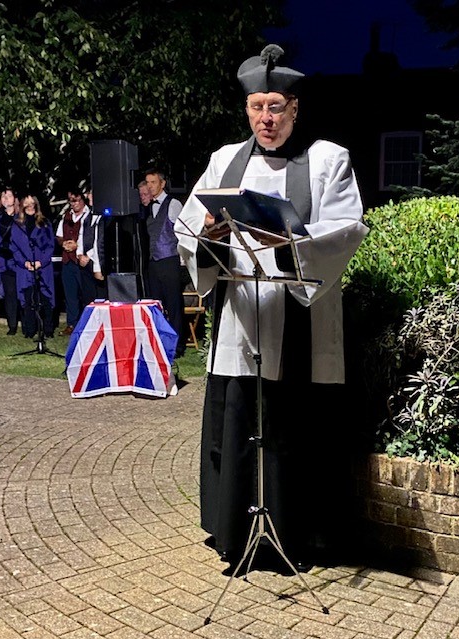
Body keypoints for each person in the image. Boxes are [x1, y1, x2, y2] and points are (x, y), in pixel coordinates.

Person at [174, 44, 369, 571]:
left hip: (301, 319)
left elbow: (346, 230)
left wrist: (288, 243)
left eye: (276, 107)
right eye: (258, 107)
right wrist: (209, 236)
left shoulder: (328, 159)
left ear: (294, 108)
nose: (267, 118)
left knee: (295, 432)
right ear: (247, 109)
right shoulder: (223, 162)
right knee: (241, 424)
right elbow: (187, 231)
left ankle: (301, 537)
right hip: (243, 324)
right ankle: (237, 534)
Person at [143, 168, 186, 357]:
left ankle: (177, 345)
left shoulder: (173, 203)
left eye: (153, 182)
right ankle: (159, 341)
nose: (149, 186)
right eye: (147, 183)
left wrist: (183, 260)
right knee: (156, 303)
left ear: (162, 183)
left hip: (170, 259)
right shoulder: (148, 207)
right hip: (154, 261)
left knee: (173, 304)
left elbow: (183, 233)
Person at [10, 194, 55, 339]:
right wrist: (25, 263)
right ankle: (30, 330)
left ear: (36, 204)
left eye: (32, 203)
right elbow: (14, 247)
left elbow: (50, 245)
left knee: (45, 298)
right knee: (28, 299)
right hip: (25, 268)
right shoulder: (16, 225)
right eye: (26, 203)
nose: (30, 205)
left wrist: (41, 262)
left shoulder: (45, 223)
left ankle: (47, 329)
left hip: (43, 267)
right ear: (22, 205)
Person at [55, 188, 89, 336]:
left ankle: (87, 323)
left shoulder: (89, 215)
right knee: (70, 295)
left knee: (86, 294)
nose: (73, 204)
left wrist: (76, 245)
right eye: (70, 201)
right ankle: (71, 324)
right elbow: (59, 235)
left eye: (75, 200)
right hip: (68, 261)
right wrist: (64, 243)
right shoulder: (66, 216)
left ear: (82, 199)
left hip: (82, 260)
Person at [0, 187, 20, 335]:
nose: (6, 199)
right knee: (9, 293)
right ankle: (12, 325)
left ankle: (27, 322)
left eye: (9, 196)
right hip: (4, 261)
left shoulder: (21, 217)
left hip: (20, 261)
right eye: (3, 196)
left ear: (15, 199)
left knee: (24, 293)